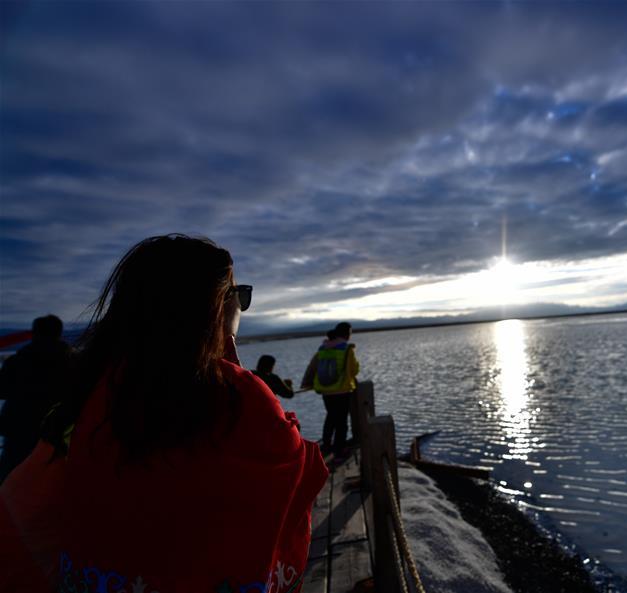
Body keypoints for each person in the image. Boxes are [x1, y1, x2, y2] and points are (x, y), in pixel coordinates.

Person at [0, 234, 328, 592]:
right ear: (215, 305)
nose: (240, 306)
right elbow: (292, 467)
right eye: (238, 295)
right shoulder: (237, 397)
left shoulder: (94, 394)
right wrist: (235, 372)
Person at [0, 315, 72, 483]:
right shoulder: (73, 362)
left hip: (18, 431)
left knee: (11, 481)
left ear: (35, 333)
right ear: (59, 333)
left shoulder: (17, 362)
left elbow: (2, 389)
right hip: (58, 434)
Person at [301, 322, 359, 456]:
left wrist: (307, 383)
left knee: (331, 418)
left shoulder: (323, 348)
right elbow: (354, 369)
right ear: (346, 334)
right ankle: (340, 449)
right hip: (342, 391)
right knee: (342, 422)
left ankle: (326, 446)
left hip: (326, 391)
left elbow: (312, 366)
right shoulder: (347, 349)